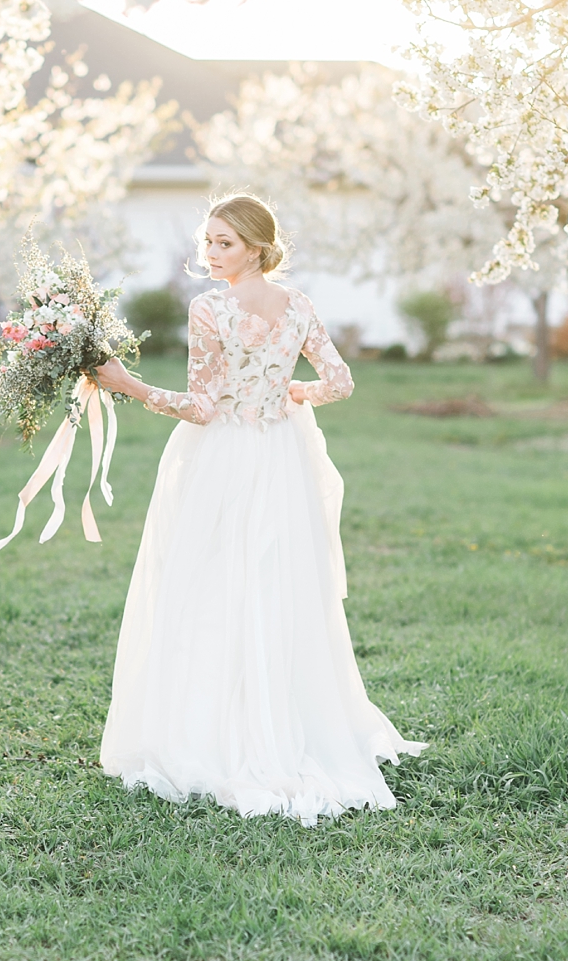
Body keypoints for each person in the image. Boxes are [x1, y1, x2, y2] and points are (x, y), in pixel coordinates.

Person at [90, 194, 422, 822]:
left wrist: (127, 384)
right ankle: (284, 720)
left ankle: (215, 732)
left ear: (257, 248)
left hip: (224, 459)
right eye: (208, 240)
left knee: (210, 583)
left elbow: (202, 405)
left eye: (225, 244)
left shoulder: (210, 307)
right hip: (281, 455)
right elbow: (342, 383)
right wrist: (296, 390)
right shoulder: (298, 305)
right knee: (275, 582)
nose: (211, 254)